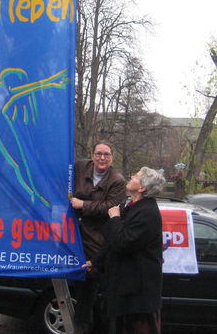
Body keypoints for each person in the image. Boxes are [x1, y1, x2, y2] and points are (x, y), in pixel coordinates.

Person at [95, 166, 165, 334]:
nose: (131, 176)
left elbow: (123, 242)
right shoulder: (133, 206)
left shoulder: (148, 212)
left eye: (136, 176)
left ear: (142, 188)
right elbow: (112, 242)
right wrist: (96, 261)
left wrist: (115, 218)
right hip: (125, 291)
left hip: (137, 297)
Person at [70, 139, 127, 334]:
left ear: (112, 158)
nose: (102, 158)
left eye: (106, 155)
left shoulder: (117, 181)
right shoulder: (79, 167)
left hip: (96, 240)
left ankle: (84, 326)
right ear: (92, 154)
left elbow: (111, 208)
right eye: (98, 154)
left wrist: (83, 205)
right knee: (76, 289)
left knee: (89, 287)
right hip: (72, 236)